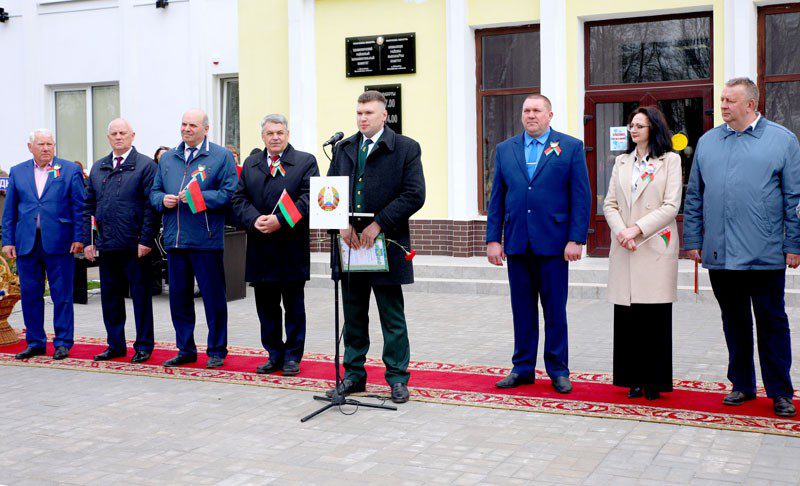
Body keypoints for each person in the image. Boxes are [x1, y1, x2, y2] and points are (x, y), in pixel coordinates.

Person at [684, 77, 799, 418]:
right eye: (722, 99)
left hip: (765, 253)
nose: (722, 105)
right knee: (733, 322)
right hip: (720, 253)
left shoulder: (782, 140)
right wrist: (693, 239)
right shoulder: (708, 142)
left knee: (771, 323)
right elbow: (694, 195)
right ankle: (742, 384)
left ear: (750, 104)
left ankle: (780, 391)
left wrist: (794, 243)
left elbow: (794, 198)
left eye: (729, 100)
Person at [486, 94, 591, 393]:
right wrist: (493, 240)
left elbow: (580, 196)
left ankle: (558, 370)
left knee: (555, 311)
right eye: (526, 110)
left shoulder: (570, 147)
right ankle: (522, 368)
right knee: (522, 310)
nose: (531, 115)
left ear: (550, 115)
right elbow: (497, 198)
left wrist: (576, 239)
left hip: (555, 245)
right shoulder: (505, 149)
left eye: (537, 110)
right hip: (518, 243)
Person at [325, 90, 425, 404]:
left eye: (368, 113)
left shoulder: (405, 148)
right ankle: (353, 375)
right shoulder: (344, 148)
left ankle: (397, 377)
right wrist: (340, 223)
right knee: (353, 314)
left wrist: (379, 222)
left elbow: (414, 194)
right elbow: (330, 190)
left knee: (391, 316)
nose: (362, 118)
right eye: (359, 113)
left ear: (384, 115)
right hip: (351, 244)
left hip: (386, 244)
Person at [603, 106, 681, 400]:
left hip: (654, 244)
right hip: (626, 246)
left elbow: (671, 205)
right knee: (628, 317)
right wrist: (622, 231)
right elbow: (610, 203)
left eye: (639, 126)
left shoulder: (669, 161)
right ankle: (631, 378)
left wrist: (636, 229)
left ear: (653, 129)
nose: (633, 130)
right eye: (631, 125)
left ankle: (654, 381)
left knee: (654, 316)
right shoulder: (622, 161)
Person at [150, 109, 238, 369]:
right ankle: (185, 349)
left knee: (213, 299)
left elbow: (229, 194)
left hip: (205, 239)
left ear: (205, 129)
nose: (186, 129)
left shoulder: (220, 156)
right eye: (184, 124)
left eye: (192, 125)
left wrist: (198, 198)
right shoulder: (168, 157)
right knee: (178, 299)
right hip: (175, 239)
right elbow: (154, 191)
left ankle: (217, 350)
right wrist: (161, 200)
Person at [232, 114, 319, 376]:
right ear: (263, 136)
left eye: (280, 132)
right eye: (270, 133)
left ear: (288, 135)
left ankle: (292, 357)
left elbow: (309, 198)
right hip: (261, 249)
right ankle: (274, 354)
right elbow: (238, 198)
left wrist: (280, 220)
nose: (275, 137)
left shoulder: (305, 161)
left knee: (294, 307)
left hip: (291, 248)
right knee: (266, 308)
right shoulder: (251, 164)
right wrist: (253, 219)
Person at [2, 129, 85, 360]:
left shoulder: (69, 169)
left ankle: (63, 342)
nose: (46, 148)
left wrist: (79, 237)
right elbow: (10, 210)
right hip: (26, 242)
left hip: (60, 241)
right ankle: (36, 342)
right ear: (30, 147)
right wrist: (8, 240)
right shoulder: (18, 171)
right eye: (41, 144)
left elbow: (79, 206)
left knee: (62, 295)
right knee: (30, 295)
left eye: (50, 144)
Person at [83, 118, 159, 363]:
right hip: (107, 245)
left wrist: (146, 240)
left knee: (141, 298)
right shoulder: (98, 167)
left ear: (132, 135)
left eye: (123, 133)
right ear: (108, 138)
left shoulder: (146, 166)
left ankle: (144, 346)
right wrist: (88, 241)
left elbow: (150, 208)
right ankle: (115, 345)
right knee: (110, 298)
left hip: (135, 245)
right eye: (114, 133)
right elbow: (88, 207)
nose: (118, 137)